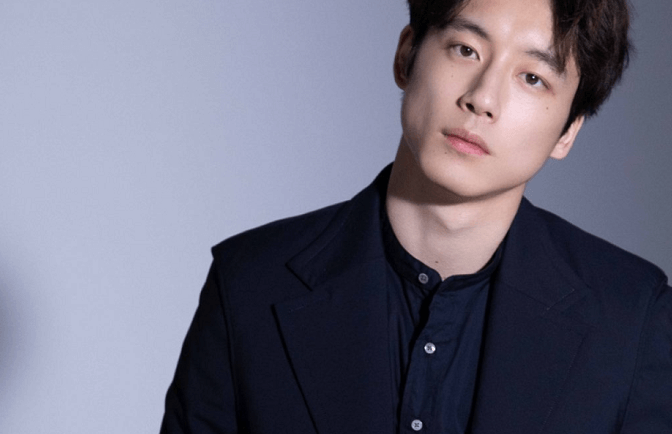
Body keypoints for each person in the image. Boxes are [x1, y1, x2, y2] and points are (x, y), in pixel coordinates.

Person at [160, 0, 672, 432]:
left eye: (532, 78)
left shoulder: (633, 320)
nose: (482, 99)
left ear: (568, 131)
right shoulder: (248, 283)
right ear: (406, 55)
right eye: (466, 49)